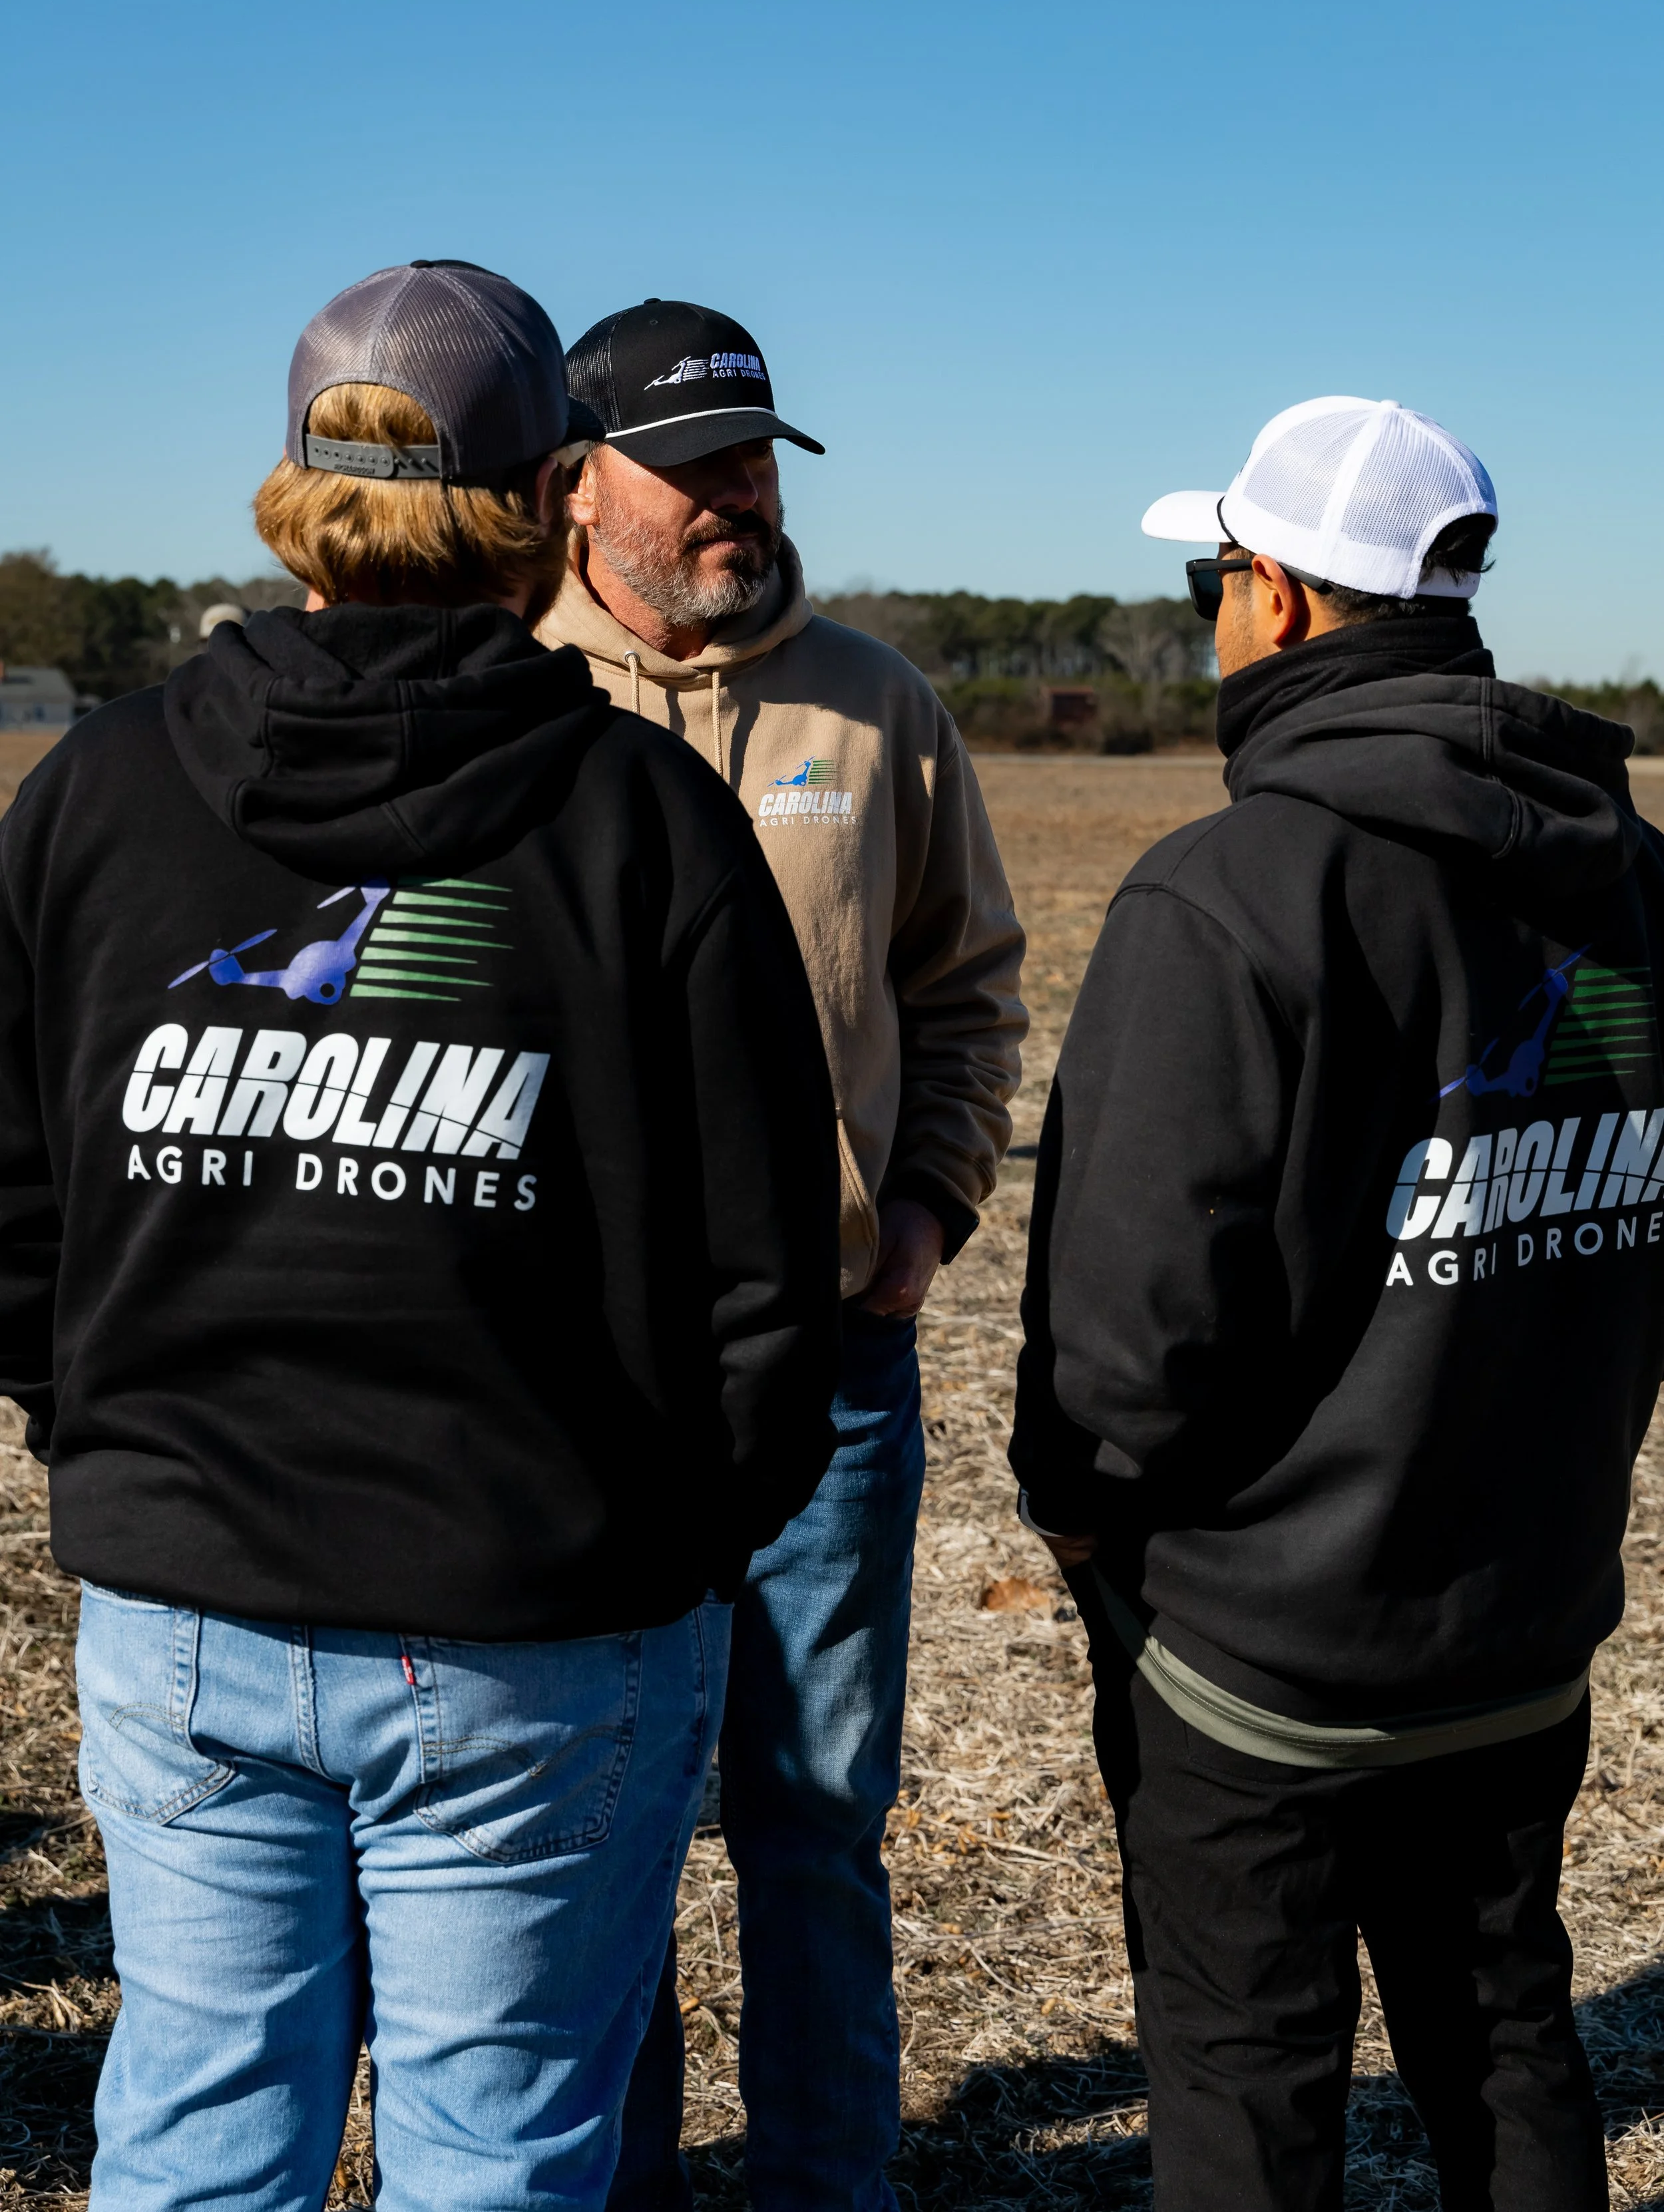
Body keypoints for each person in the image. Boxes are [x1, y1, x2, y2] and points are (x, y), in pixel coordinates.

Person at [0, 261, 843, 2212]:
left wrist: (111, 1426)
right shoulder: (640, 819)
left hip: (185, 1600)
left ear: (290, 488)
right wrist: (670, 1535)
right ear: (548, 494)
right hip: (531, 1627)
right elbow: (760, 1272)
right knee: (496, 2152)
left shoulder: (96, 788)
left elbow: (9, 1205)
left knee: (199, 2136)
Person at [1012, 395, 1659, 2211]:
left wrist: (1089, 1529)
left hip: (1260, 1659)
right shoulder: (1629, 876)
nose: (1212, 606)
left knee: (1242, 2079)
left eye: (1217, 570)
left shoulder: (1227, 892)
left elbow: (1126, 1344)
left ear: (1279, 599)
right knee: (1510, 2034)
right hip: (1520, 1625)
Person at [540, 298, 1026, 2211]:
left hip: (832, 1369)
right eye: (696, 468)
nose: (741, 496)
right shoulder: (508, 697)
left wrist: (926, 1213)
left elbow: (965, 984)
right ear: (578, 488)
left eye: (758, 457)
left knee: (816, 1818)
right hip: (583, 1385)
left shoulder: (874, 702)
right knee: (600, 1828)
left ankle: (831, 2185)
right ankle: (630, 2179)